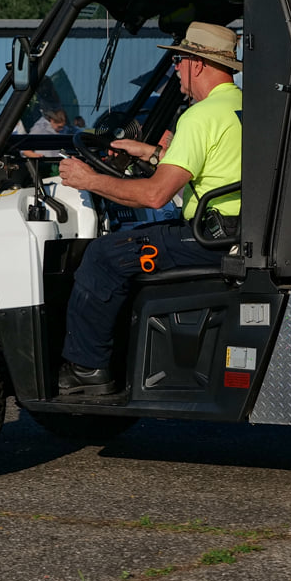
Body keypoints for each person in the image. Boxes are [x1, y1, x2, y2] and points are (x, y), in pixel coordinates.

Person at [54, 22, 243, 397]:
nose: (176, 68)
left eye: (178, 60)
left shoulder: (199, 116)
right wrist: (151, 153)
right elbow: (208, 165)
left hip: (206, 240)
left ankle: (87, 368)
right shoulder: (240, 107)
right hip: (236, 231)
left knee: (104, 255)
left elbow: (155, 196)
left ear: (197, 63)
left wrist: (89, 179)